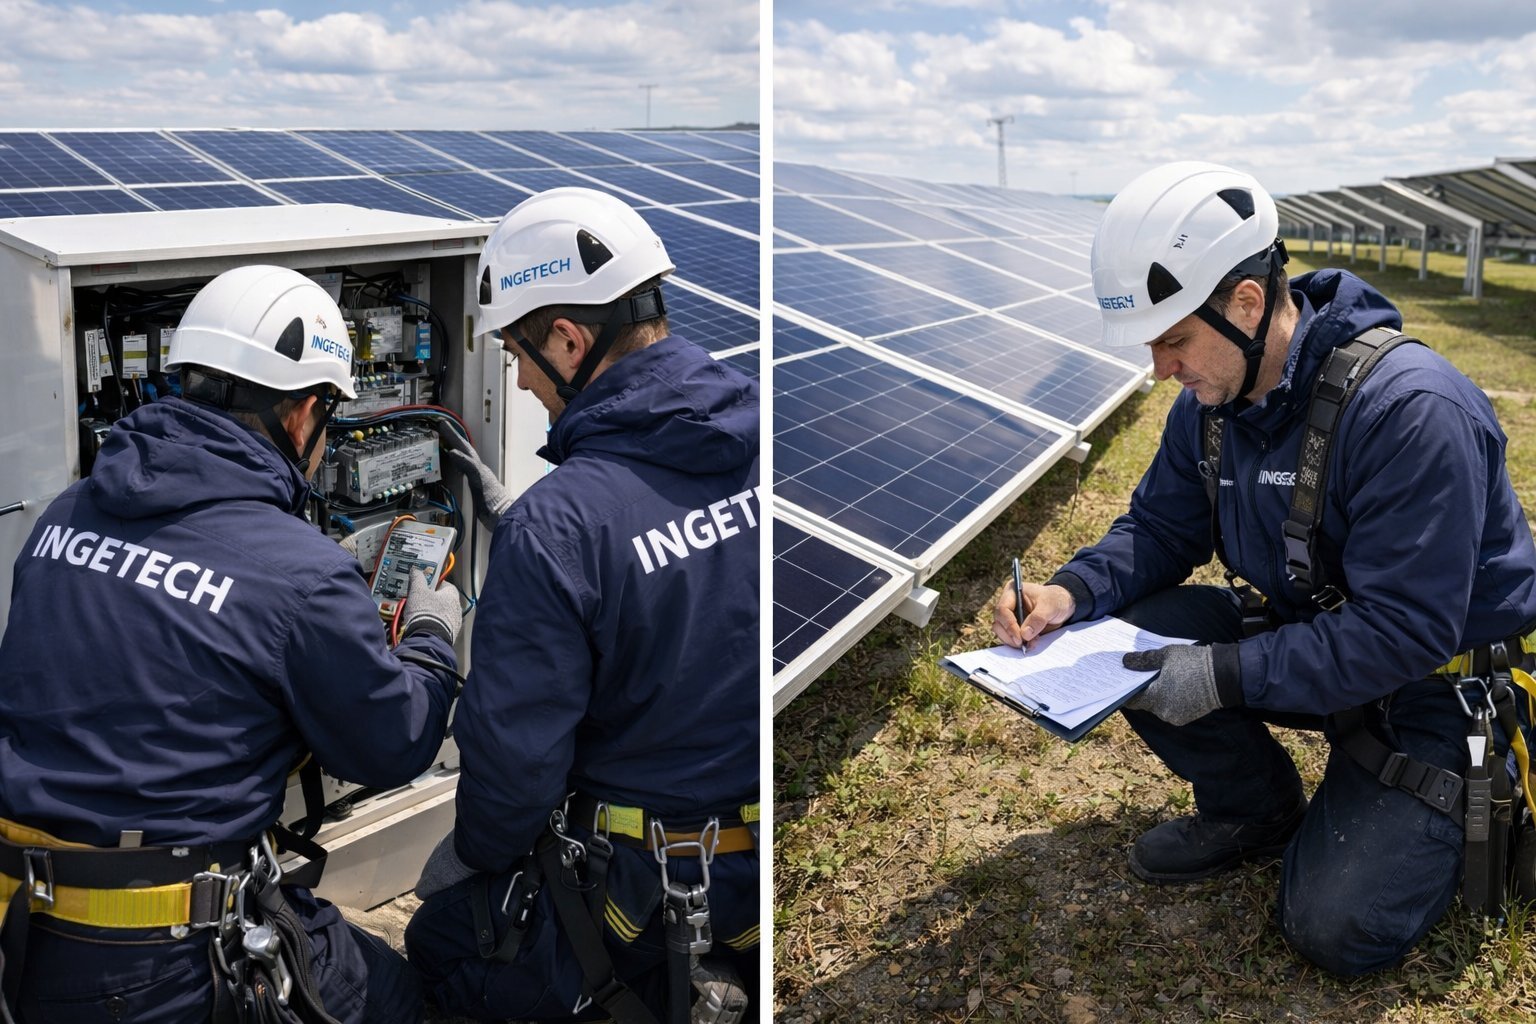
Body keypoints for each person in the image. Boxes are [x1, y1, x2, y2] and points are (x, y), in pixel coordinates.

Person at [991, 161, 1536, 975]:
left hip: (1436, 681)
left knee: (1336, 927)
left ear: (1246, 304)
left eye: (1174, 339)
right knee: (1134, 641)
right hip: (1316, 636)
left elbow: (1402, 630)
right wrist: (1070, 592)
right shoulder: (1213, 407)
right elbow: (1158, 528)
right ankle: (1256, 812)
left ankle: (1451, 802)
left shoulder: (1410, 410)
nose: (1159, 369)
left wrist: (1224, 675)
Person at [0, 265, 462, 1022]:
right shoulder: (300, 573)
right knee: (404, 995)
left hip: (26, 930)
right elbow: (396, 744)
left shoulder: (63, 516)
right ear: (306, 413)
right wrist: (431, 631)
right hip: (169, 963)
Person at [404, 187, 760, 1023]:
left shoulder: (559, 526)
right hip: (754, 862)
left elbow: (512, 770)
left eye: (520, 355)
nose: (520, 381)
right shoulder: (761, 437)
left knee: (438, 945)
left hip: (637, 901)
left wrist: (474, 856)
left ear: (569, 338)